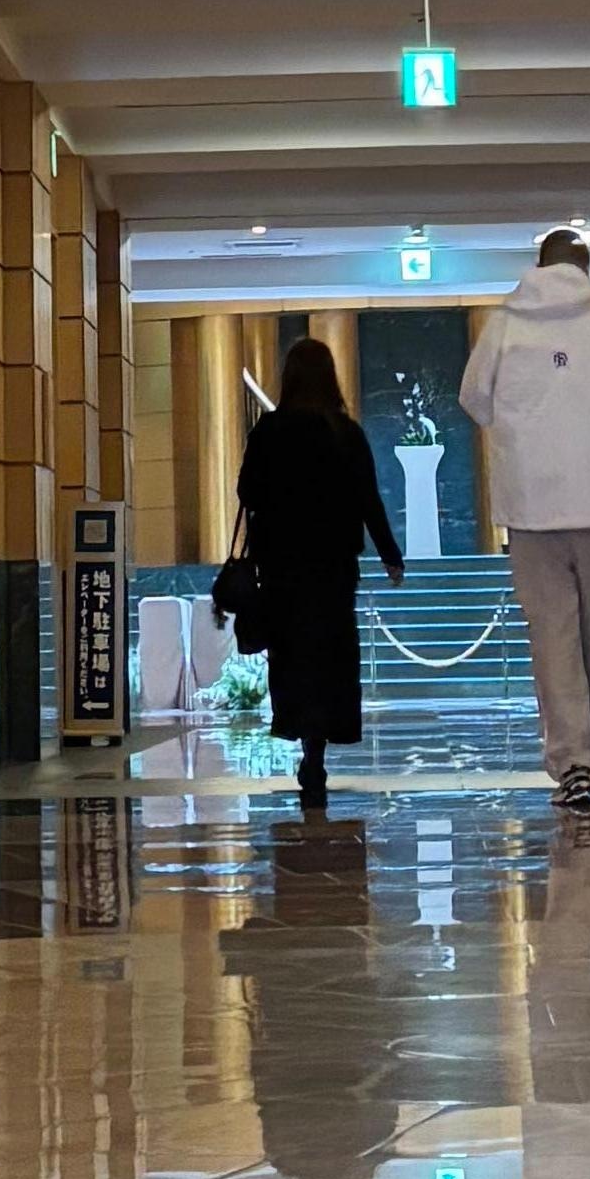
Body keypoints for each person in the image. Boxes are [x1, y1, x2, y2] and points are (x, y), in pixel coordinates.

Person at [461, 228, 590, 807]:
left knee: (553, 635)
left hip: (531, 507)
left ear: (538, 264)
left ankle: (572, 761)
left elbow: (473, 399)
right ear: (586, 267)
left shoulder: (504, 325)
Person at [227, 332, 400, 816]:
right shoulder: (345, 433)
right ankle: (318, 749)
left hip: (281, 568)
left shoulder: (269, 432)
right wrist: (390, 554)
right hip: (333, 569)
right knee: (330, 659)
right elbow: (368, 499)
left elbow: (246, 491)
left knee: (292, 658)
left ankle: (305, 740)